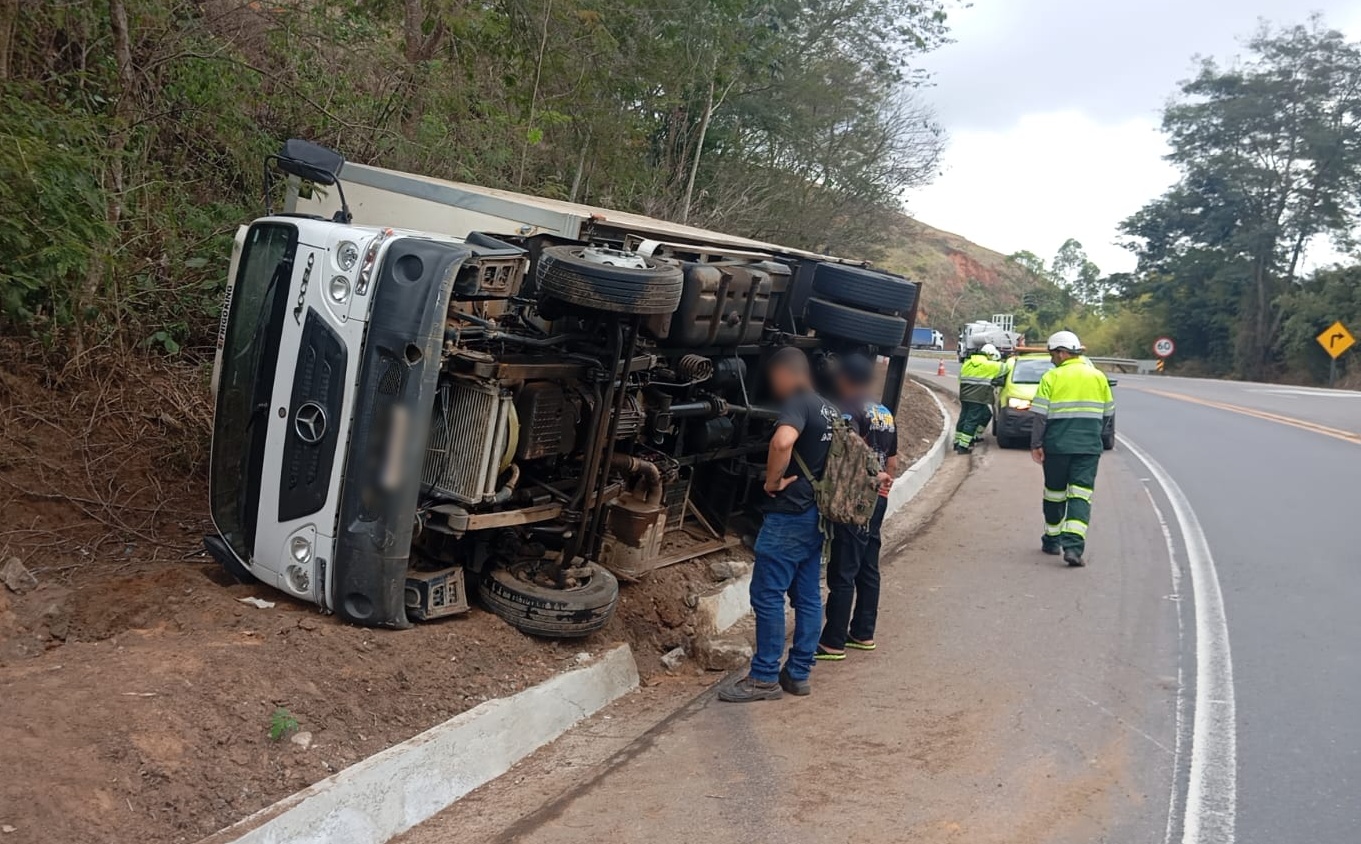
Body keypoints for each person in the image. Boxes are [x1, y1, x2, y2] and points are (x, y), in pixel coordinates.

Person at [719, 346, 837, 702]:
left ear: (786, 374)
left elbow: (782, 442)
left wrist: (772, 481)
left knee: (767, 594)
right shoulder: (829, 408)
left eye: (775, 379)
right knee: (808, 596)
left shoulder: (798, 403)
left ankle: (764, 677)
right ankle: (798, 673)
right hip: (817, 514)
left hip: (789, 514)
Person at [817, 353, 896, 661]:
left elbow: (849, 449)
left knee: (843, 570)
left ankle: (833, 641)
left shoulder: (847, 409)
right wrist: (883, 486)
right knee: (868, 566)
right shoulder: (884, 412)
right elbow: (892, 460)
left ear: (843, 378)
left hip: (855, 500)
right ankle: (863, 632)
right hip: (878, 498)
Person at [1029, 330, 1115, 567]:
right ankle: (1074, 548)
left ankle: (1052, 540)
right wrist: (1092, 436)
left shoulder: (1052, 377)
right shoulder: (1098, 376)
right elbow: (1108, 413)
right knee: (1080, 495)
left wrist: (1036, 444)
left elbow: (1040, 416)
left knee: (1054, 493)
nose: (1051, 359)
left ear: (1062, 353)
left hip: (1057, 447)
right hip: (1088, 449)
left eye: (1052, 354)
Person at [955, 342, 1003, 454]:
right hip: (978, 397)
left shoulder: (968, 362)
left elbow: (960, 378)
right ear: (990, 354)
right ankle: (963, 446)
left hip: (965, 395)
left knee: (968, 417)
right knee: (971, 420)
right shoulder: (989, 365)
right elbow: (1007, 367)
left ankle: (958, 442)